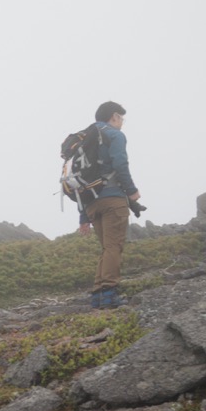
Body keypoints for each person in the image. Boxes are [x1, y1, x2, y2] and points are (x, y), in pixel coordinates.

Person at [84, 100, 140, 308]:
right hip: (112, 198)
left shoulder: (85, 138)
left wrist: (83, 215)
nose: (122, 123)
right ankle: (109, 294)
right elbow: (120, 163)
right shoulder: (114, 135)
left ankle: (97, 297)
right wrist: (132, 191)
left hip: (91, 203)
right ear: (114, 116)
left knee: (107, 248)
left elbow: (78, 178)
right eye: (121, 118)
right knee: (114, 247)